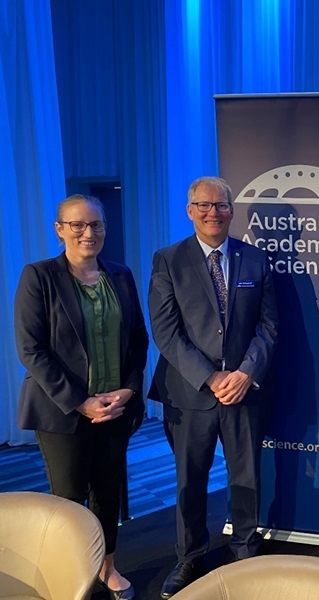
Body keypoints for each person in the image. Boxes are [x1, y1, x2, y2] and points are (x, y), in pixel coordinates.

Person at [148, 176, 279, 598]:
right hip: (190, 394)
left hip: (244, 390)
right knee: (191, 478)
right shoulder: (168, 260)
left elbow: (269, 326)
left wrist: (244, 373)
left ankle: (244, 550)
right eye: (204, 206)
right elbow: (165, 332)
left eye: (221, 205)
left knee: (246, 477)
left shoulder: (256, 260)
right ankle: (190, 557)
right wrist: (210, 376)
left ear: (231, 210)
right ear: (190, 211)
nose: (213, 213)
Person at [14, 194, 149, 600]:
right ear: (60, 230)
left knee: (108, 491)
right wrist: (80, 401)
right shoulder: (39, 276)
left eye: (96, 225)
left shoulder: (121, 275)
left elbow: (138, 340)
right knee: (69, 497)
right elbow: (31, 350)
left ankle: (108, 566)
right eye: (78, 225)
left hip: (115, 409)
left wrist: (129, 388)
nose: (88, 233)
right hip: (63, 412)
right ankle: (70, 572)